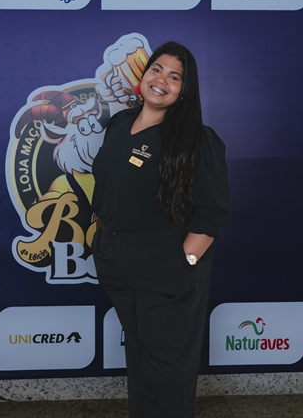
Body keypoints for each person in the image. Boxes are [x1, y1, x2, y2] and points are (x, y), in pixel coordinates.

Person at [91, 41, 230, 418]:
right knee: (140, 359)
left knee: (167, 368)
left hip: (167, 271)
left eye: (174, 77)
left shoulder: (197, 138)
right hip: (119, 266)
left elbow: (212, 211)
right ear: (144, 74)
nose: (161, 80)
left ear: (184, 90)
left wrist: (184, 262)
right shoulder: (120, 123)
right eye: (156, 69)